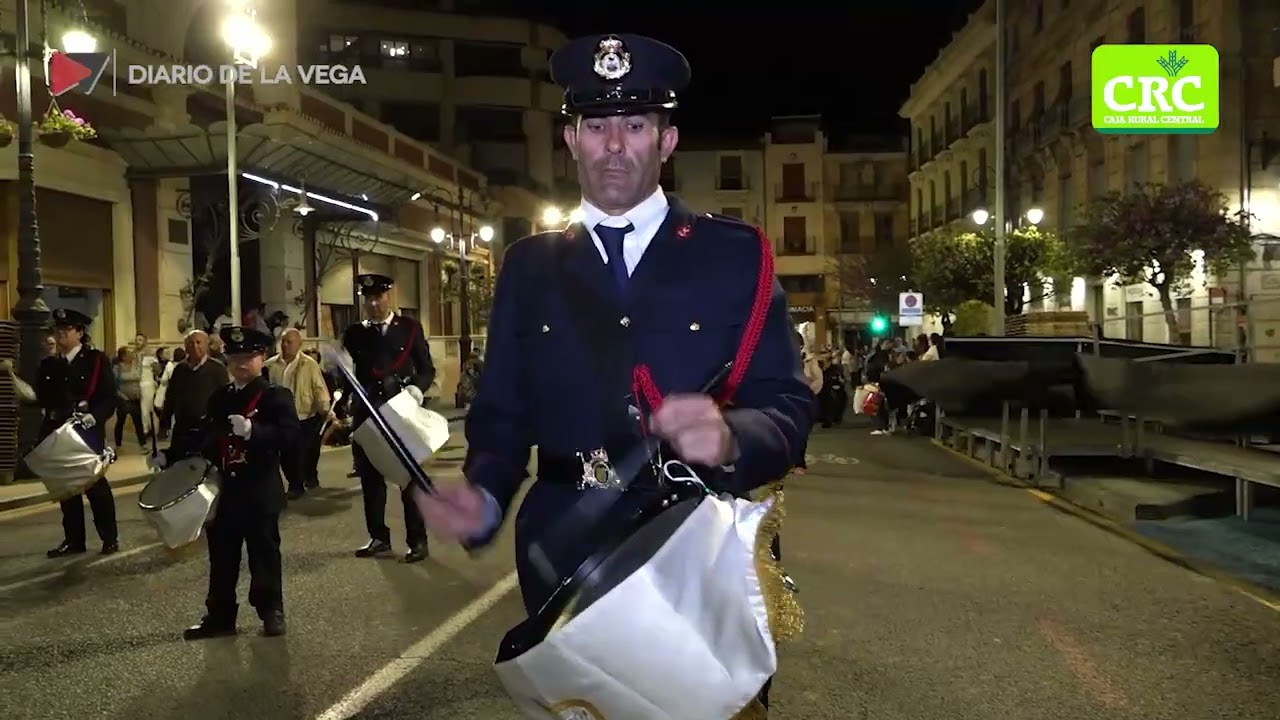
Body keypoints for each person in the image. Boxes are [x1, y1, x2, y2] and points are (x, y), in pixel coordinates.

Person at [408, 33, 811, 711]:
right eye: (597, 126)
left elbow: (789, 406)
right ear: (572, 140)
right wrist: (482, 493)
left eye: (635, 125)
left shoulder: (734, 256)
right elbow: (502, 415)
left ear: (668, 140)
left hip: (696, 551)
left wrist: (734, 436)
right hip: (567, 558)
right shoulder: (529, 267)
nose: (615, 145)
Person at [150, 326, 298, 639]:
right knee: (222, 557)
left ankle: (271, 610)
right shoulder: (220, 398)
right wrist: (171, 456)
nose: (241, 363)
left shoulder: (275, 396)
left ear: (261, 359)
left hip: (259, 490)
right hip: (224, 492)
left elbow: (290, 437)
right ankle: (220, 616)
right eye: (235, 357)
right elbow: (204, 437)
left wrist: (253, 431)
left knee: (264, 553)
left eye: (249, 357)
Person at [342, 273, 435, 563]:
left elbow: (426, 368)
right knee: (370, 478)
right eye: (368, 299)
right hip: (367, 412)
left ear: (388, 297)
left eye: (378, 297)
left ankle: (417, 540)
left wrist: (417, 390)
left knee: (409, 478)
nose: (373, 303)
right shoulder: (355, 333)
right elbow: (350, 372)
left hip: (401, 411)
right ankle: (378, 537)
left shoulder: (409, 328)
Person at [39, 308, 119, 557]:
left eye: (67, 329)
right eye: (58, 329)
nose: (61, 333)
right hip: (59, 433)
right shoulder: (50, 363)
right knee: (67, 490)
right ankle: (74, 540)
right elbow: (43, 397)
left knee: (95, 487)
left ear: (80, 332)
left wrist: (96, 416)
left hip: (86, 431)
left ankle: (109, 537)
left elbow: (109, 396)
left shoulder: (95, 360)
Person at [266, 328, 331, 497]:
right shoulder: (270, 365)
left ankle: (304, 480)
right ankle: (296, 483)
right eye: (283, 342)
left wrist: (324, 408)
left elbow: (318, 387)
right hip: (281, 417)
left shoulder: (309, 364)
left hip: (305, 414)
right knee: (287, 453)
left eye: (290, 342)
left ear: (299, 344)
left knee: (304, 451)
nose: (286, 345)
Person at [160, 330, 229, 459]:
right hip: (183, 429)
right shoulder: (180, 369)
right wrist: (165, 422)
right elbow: (171, 397)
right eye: (191, 343)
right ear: (186, 347)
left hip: (207, 431)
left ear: (206, 345)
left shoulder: (217, 369)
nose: (195, 346)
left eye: (199, 342)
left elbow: (226, 398)